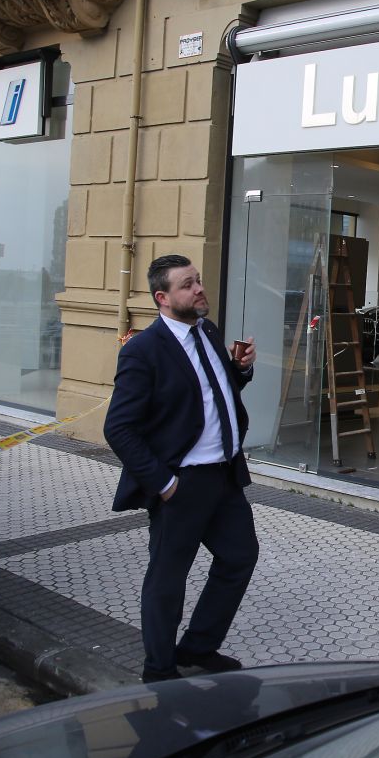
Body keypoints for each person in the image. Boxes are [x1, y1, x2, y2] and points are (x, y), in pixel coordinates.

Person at [104, 254, 259, 683]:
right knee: (168, 577)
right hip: (182, 483)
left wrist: (240, 370)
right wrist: (164, 483)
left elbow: (213, 388)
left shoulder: (206, 331)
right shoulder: (143, 350)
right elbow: (118, 428)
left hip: (224, 476)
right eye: (188, 284)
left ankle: (198, 648)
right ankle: (159, 668)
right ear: (163, 297)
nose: (199, 289)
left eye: (199, 280)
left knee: (240, 557)